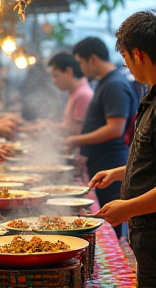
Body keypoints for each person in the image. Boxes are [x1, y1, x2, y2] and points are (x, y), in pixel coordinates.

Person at [90, 11, 156, 287]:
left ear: (137, 54)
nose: (126, 66)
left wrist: (127, 208)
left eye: (126, 58)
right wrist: (121, 172)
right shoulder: (150, 96)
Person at [66, 37, 138, 238]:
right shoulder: (105, 83)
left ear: (93, 59)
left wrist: (75, 140)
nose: (81, 69)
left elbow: (115, 129)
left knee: (111, 226)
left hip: (112, 164)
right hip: (105, 167)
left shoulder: (114, 84)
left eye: (81, 63)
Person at [48, 52, 93, 135]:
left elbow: (75, 130)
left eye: (55, 75)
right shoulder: (73, 92)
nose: (54, 81)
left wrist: (49, 127)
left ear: (68, 72)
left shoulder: (83, 94)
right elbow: (68, 124)